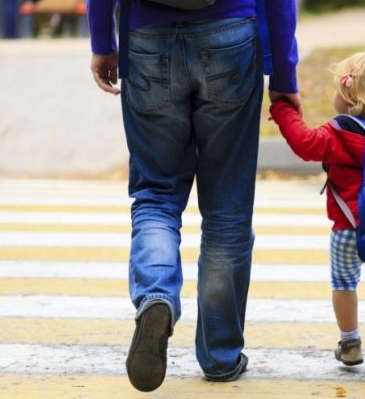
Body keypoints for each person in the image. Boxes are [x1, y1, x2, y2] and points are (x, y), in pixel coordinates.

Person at [87, 0, 300, 392]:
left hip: (147, 38)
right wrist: (284, 76)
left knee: (156, 194)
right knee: (228, 211)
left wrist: (103, 40)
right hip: (231, 36)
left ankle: (157, 297)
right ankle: (220, 356)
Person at [269, 51, 365, 383]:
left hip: (347, 230)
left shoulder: (339, 133)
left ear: (350, 96)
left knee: (344, 284)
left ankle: (350, 342)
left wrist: (282, 110)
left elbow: (305, 143)